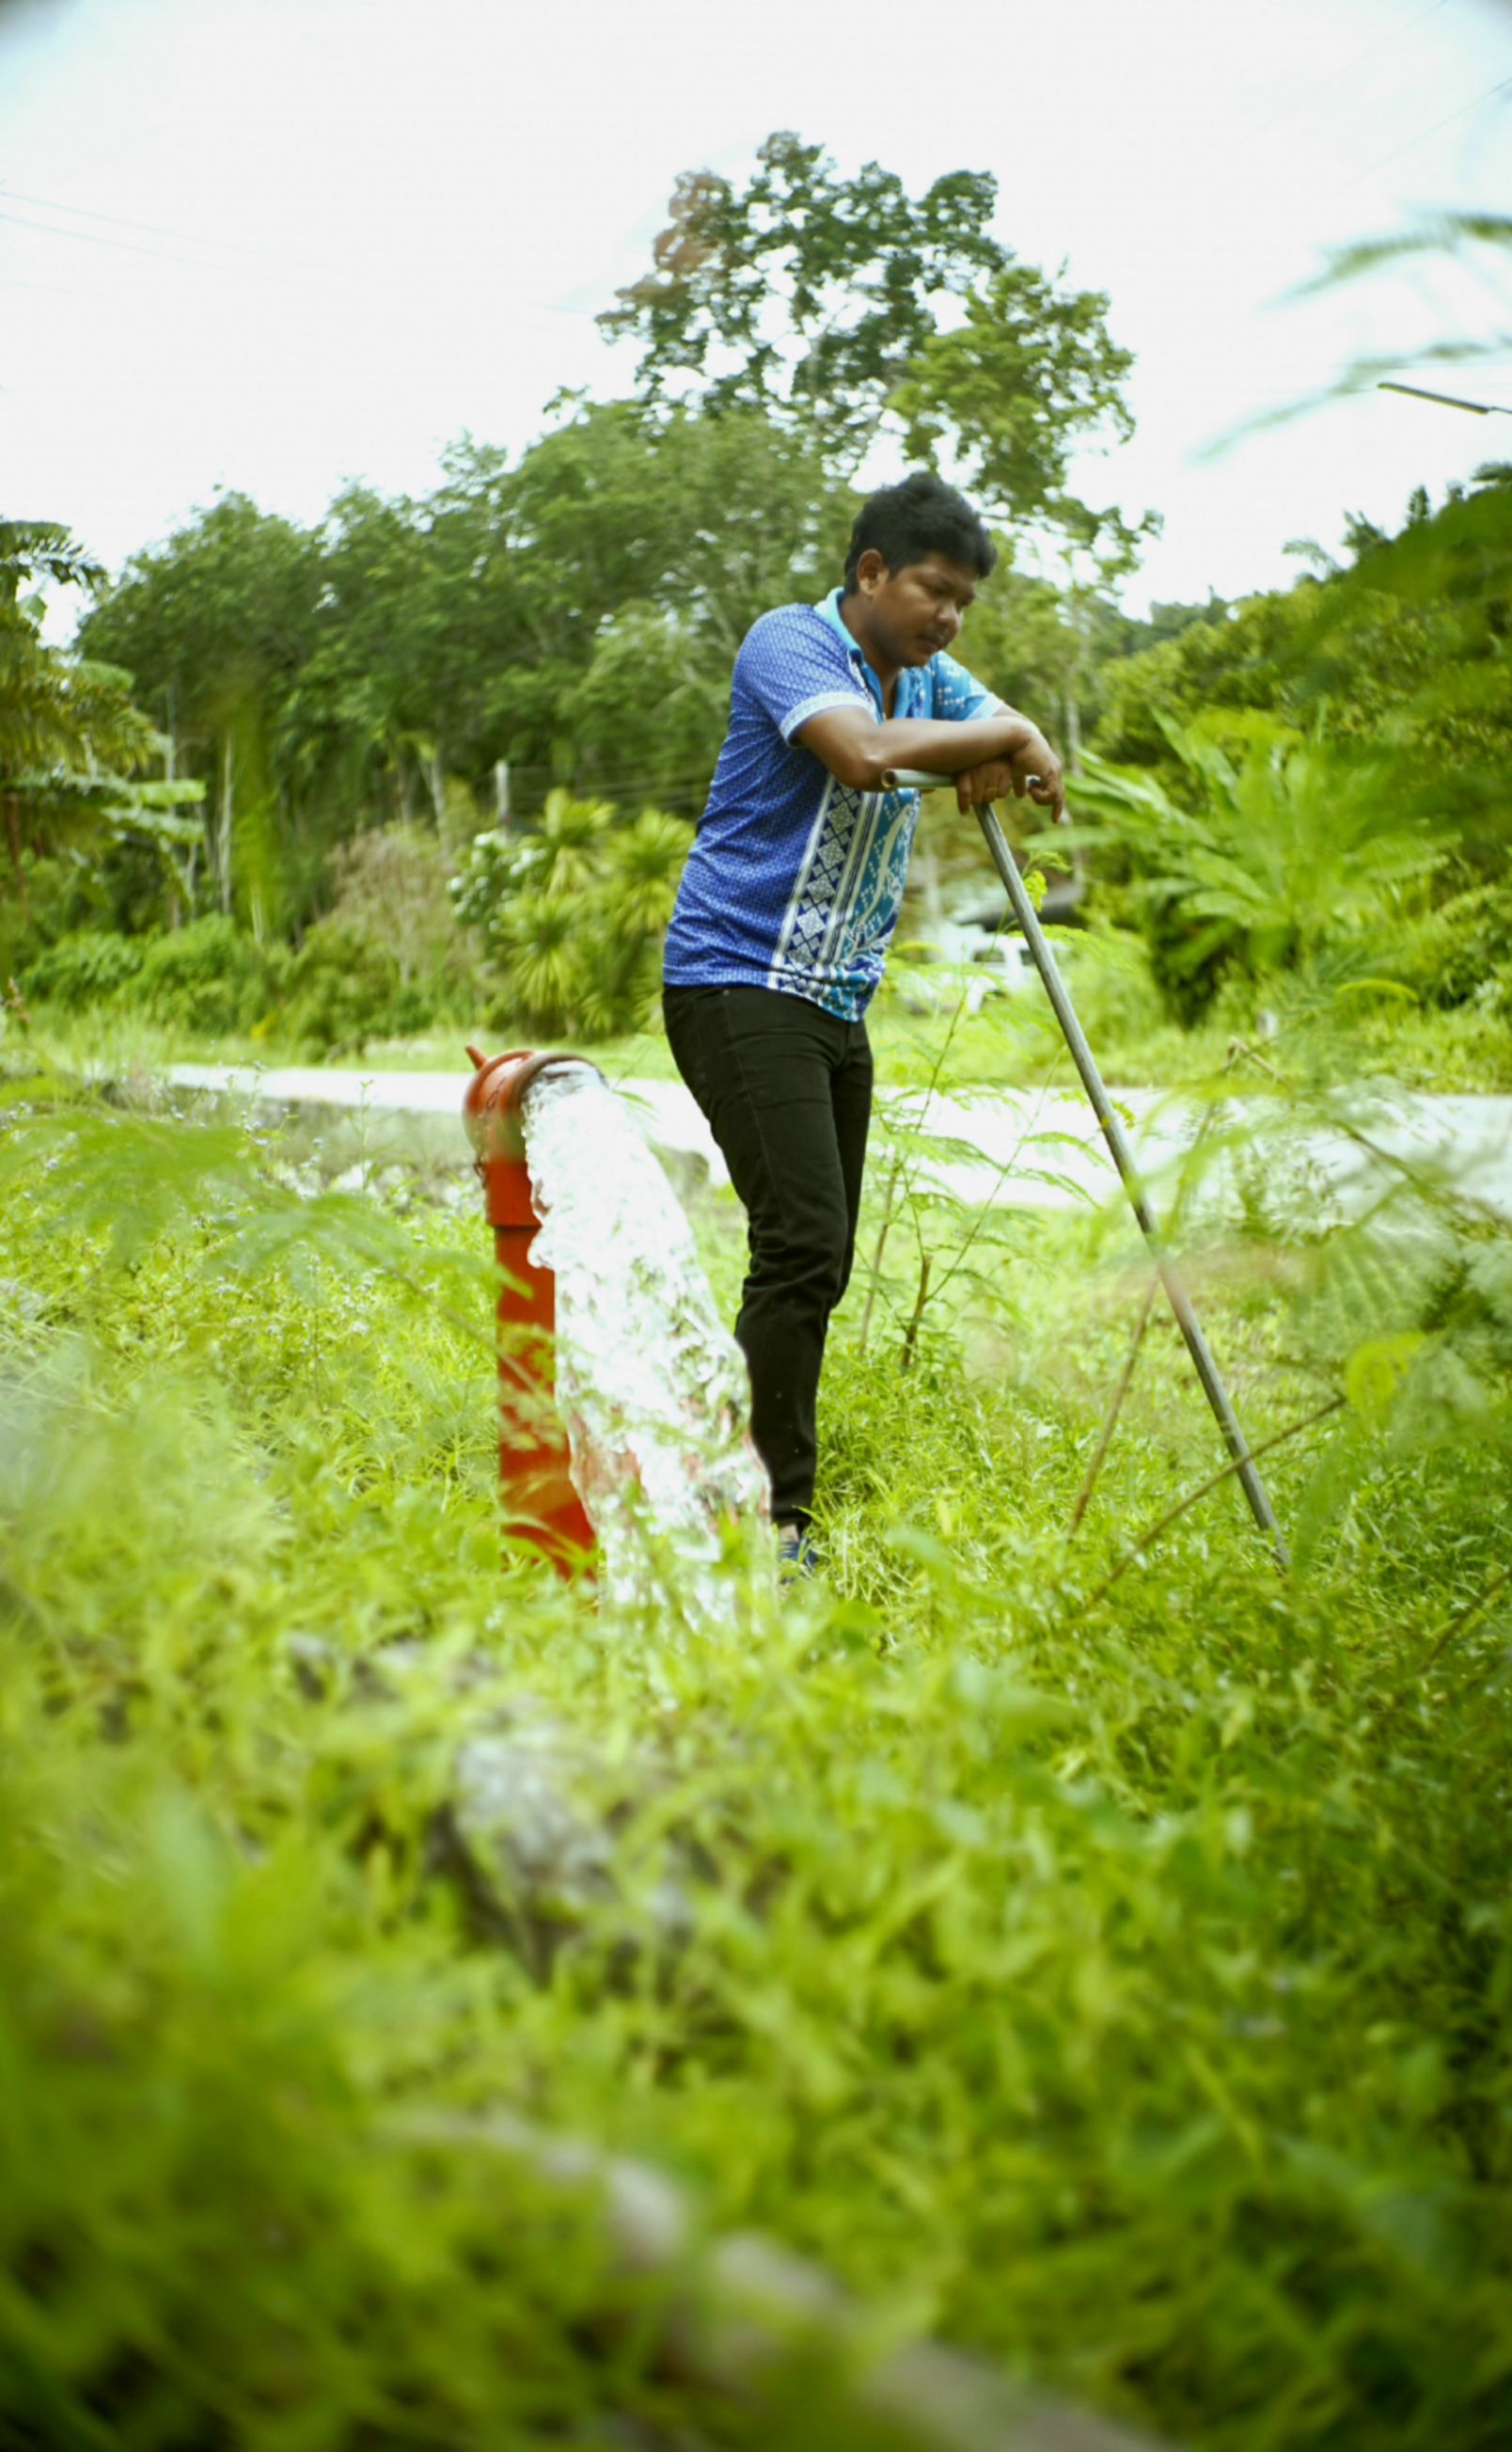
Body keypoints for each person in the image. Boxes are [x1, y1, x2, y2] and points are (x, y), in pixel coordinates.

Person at [662, 471, 1065, 1574]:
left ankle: (750, 1483)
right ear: (872, 572)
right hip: (738, 979)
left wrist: (1004, 749)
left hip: (834, 998)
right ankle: (762, 1520)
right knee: (802, 1242)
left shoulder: (929, 677)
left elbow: (982, 735)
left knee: (814, 1259)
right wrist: (1010, 732)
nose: (948, 617)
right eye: (935, 590)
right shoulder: (789, 645)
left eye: (966, 603)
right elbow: (864, 754)